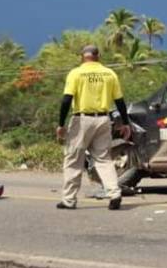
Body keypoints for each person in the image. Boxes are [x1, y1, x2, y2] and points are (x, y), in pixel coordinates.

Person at [56, 45, 131, 210]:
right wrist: (125, 123)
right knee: (103, 159)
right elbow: (120, 102)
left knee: (74, 160)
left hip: (82, 120)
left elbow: (66, 100)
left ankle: (69, 200)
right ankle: (114, 194)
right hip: (103, 119)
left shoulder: (76, 73)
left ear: (82, 56)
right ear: (98, 56)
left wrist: (61, 125)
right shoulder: (109, 73)